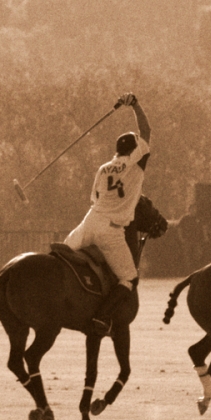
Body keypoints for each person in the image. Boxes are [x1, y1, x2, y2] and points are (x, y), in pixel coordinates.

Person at [64, 92, 151, 336]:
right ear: (135, 149)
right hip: (110, 231)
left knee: (61, 255)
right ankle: (101, 318)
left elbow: (94, 199)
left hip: (89, 220)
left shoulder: (103, 168)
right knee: (128, 279)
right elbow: (147, 131)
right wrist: (135, 104)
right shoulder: (135, 163)